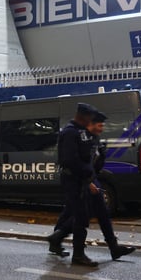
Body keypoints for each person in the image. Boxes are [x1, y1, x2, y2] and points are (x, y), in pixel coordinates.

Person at [47, 103, 98, 266]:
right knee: (81, 218)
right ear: (82, 116)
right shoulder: (70, 132)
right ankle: (78, 255)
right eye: (89, 117)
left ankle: (57, 237)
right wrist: (86, 171)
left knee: (76, 215)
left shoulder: (79, 132)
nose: (91, 120)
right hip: (73, 179)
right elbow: (70, 160)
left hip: (79, 180)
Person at [85, 111, 135, 261]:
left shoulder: (95, 139)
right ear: (91, 125)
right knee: (79, 216)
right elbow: (79, 164)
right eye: (99, 125)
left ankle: (114, 248)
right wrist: (88, 182)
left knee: (102, 214)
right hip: (84, 181)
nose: (102, 128)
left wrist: (102, 155)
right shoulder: (83, 139)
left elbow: (96, 165)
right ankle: (58, 237)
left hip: (93, 178)